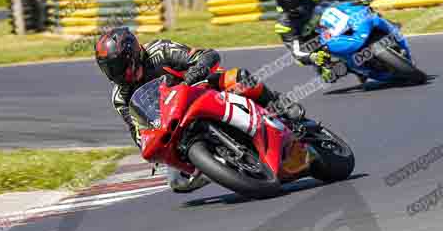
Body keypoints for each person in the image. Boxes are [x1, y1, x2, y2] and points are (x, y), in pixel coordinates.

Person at [95, 27, 306, 192]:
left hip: (201, 88)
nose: (115, 73)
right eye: (109, 69)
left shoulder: (159, 51)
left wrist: (194, 73)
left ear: (131, 54)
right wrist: (146, 145)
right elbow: (136, 129)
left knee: (239, 78)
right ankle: (227, 163)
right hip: (172, 122)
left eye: (117, 66)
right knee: (177, 183)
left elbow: (207, 55)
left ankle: (282, 106)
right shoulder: (120, 96)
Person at [273, 0, 373, 84]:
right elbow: (296, 51)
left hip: (333, 24)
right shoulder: (283, 25)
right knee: (329, 75)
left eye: (298, 4)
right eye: (292, 8)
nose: (297, 10)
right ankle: (359, 70)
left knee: (357, 10)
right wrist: (312, 57)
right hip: (318, 46)